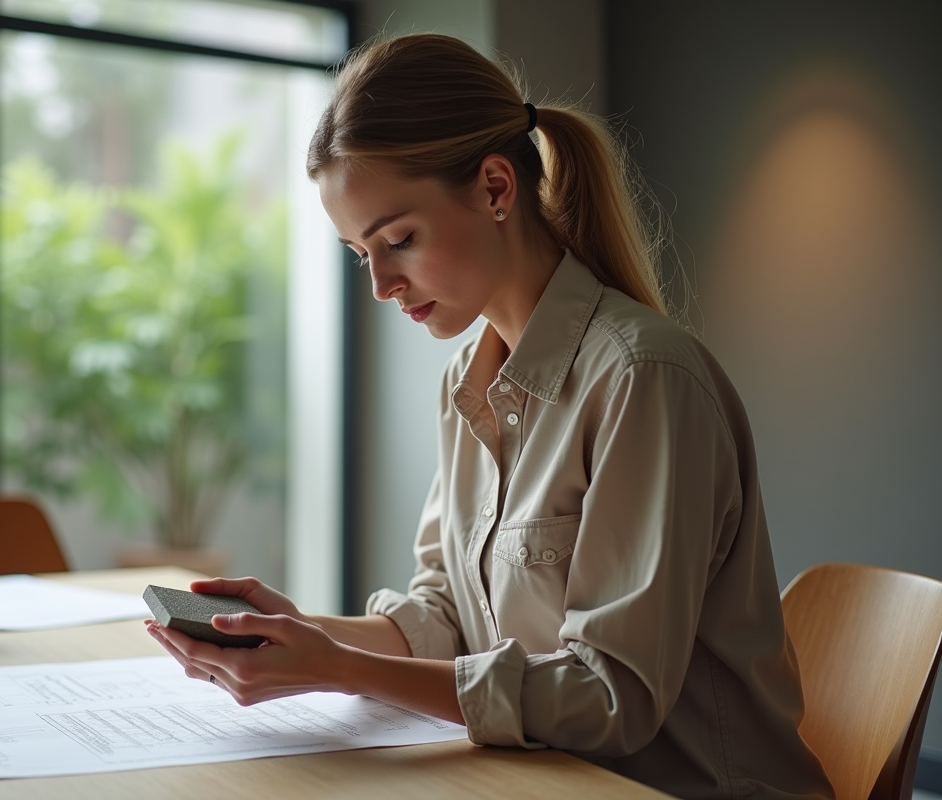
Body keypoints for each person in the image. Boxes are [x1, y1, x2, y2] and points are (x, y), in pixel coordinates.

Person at [146, 33, 835, 800]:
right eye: (357, 253)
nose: (380, 285)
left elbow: (613, 699)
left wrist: (338, 668)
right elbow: (447, 611)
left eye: (398, 240)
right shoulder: (465, 384)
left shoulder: (644, 379)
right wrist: (306, 634)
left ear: (497, 188)